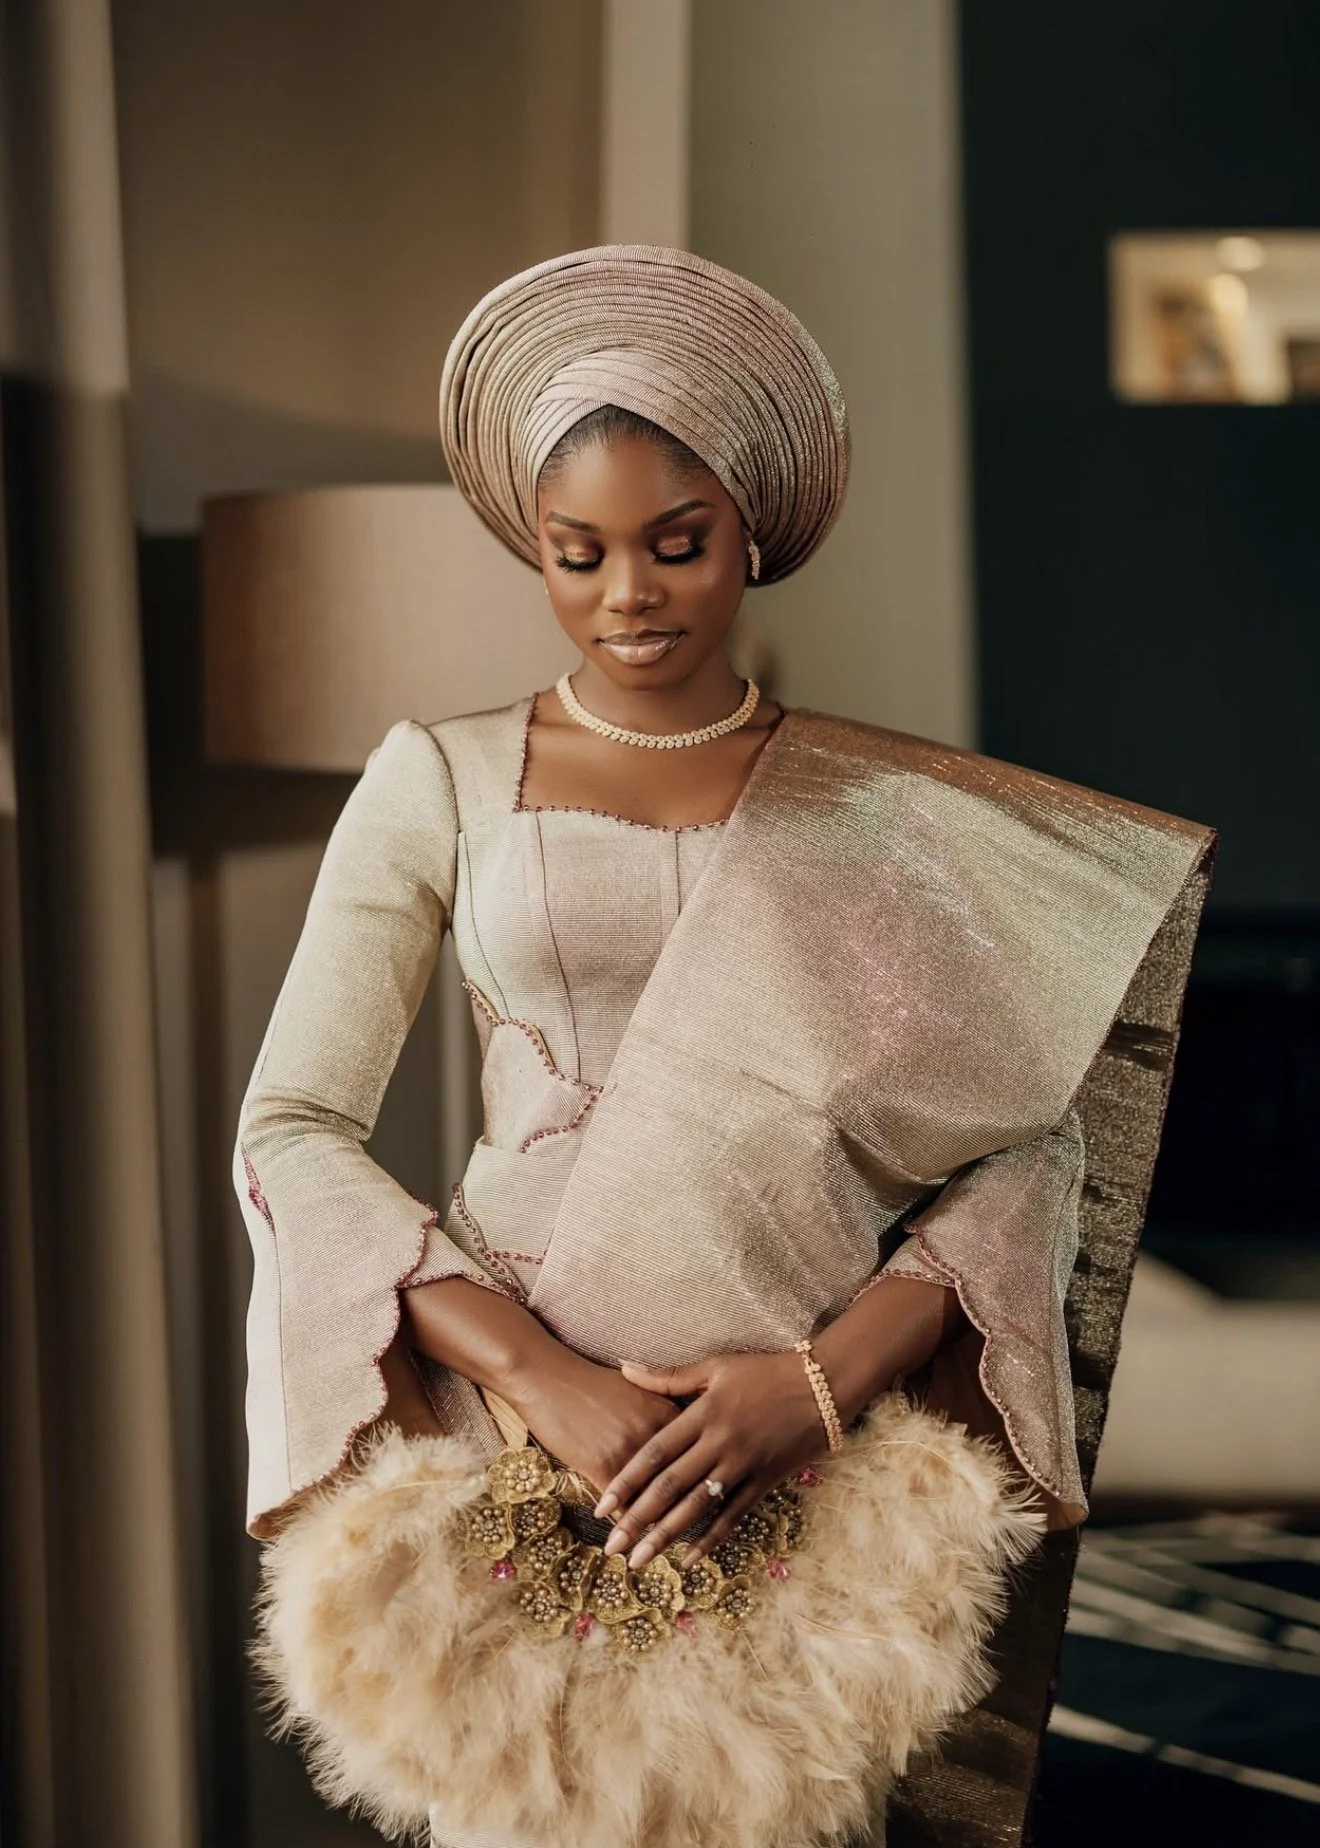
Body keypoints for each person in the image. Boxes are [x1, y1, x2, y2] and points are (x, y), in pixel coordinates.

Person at [235, 247, 1213, 1848]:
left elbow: (1035, 1135)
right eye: (579, 553)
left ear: (751, 533)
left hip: (805, 1457)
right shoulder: (441, 779)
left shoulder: (878, 814)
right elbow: (291, 1125)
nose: (630, 595)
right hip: (512, 1451)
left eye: (677, 547)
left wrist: (817, 1389)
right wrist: (536, 1373)